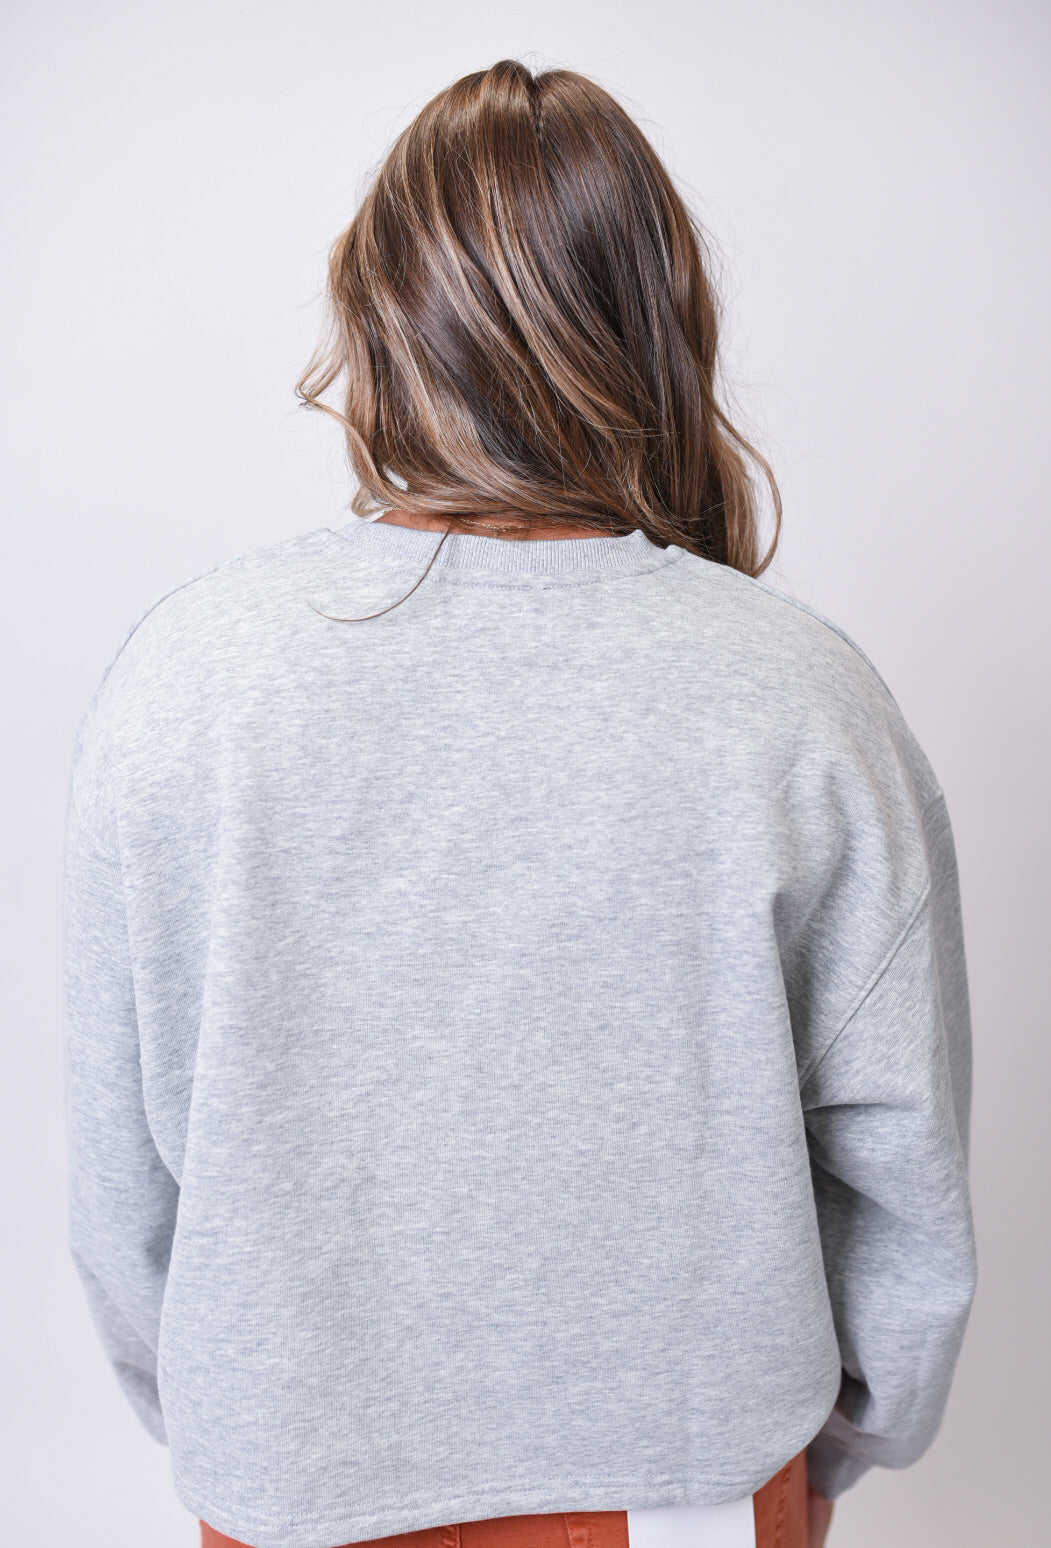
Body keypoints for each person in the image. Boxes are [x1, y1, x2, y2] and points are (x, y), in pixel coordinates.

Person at [62, 59, 976, 1548]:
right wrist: (838, 1446)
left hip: (299, 1479)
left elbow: (125, 1187)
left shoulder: (188, 678)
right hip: (692, 1478)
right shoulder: (800, 696)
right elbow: (900, 1182)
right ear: (661, 322)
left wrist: (242, 1408)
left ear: (377, 315)